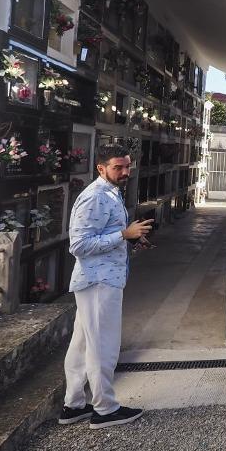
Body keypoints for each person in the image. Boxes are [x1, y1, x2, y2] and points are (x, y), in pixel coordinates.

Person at [58, 144, 153, 428]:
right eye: (118, 168)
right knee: (103, 345)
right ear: (101, 168)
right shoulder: (95, 197)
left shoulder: (110, 192)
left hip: (102, 277)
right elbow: (79, 245)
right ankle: (105, 409)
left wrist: (132, 238)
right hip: (99, 281)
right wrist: (124, 233)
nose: (125, 172)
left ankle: (73, 405)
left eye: (127, 167)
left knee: (83, 343)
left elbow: (103, 233)